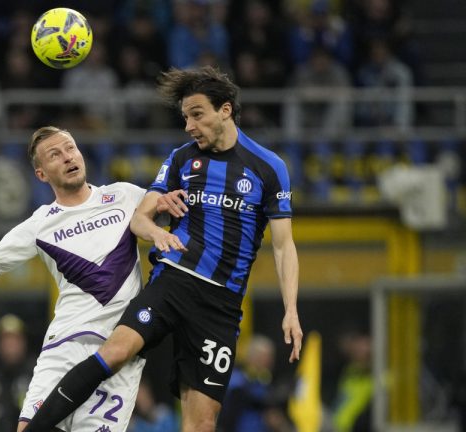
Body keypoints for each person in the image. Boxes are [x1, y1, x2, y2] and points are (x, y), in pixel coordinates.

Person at [24, 66, 303, 432]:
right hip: (173, 282)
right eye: (185, 117)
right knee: (115, 352)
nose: (189, 125)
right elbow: (140, 218)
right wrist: (156, 234)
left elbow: (284, 246)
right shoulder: (181, 159)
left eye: (197, 115)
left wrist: (291, 309)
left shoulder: (269, 167)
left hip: (220, 305)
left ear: (226, 110)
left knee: (201, 423)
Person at [0, 126, 181, 432]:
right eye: (55, 155)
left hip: (120, 354)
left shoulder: (125, 196)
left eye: (70, 148)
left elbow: (178, 215)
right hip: (66, 348)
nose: (67, 157)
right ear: (42, 174)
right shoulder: (40, 225)